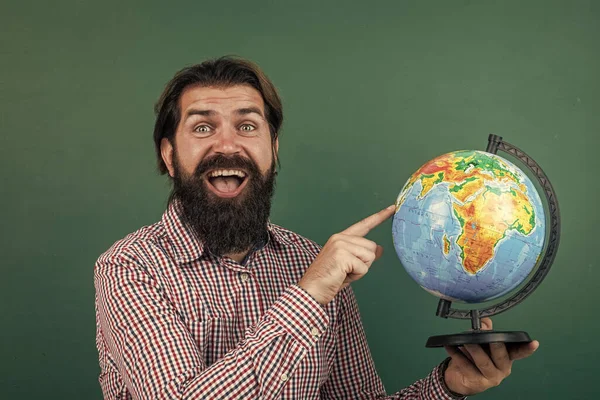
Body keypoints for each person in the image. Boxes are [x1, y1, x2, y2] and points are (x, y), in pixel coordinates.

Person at [94, 56, 538, 399]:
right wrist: (308, 296)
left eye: (248, 126)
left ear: (273, 148)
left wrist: (448, 385)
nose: (227, 144)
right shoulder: (130, 268)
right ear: (169, 155)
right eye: (203, 127)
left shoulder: (310, 261)